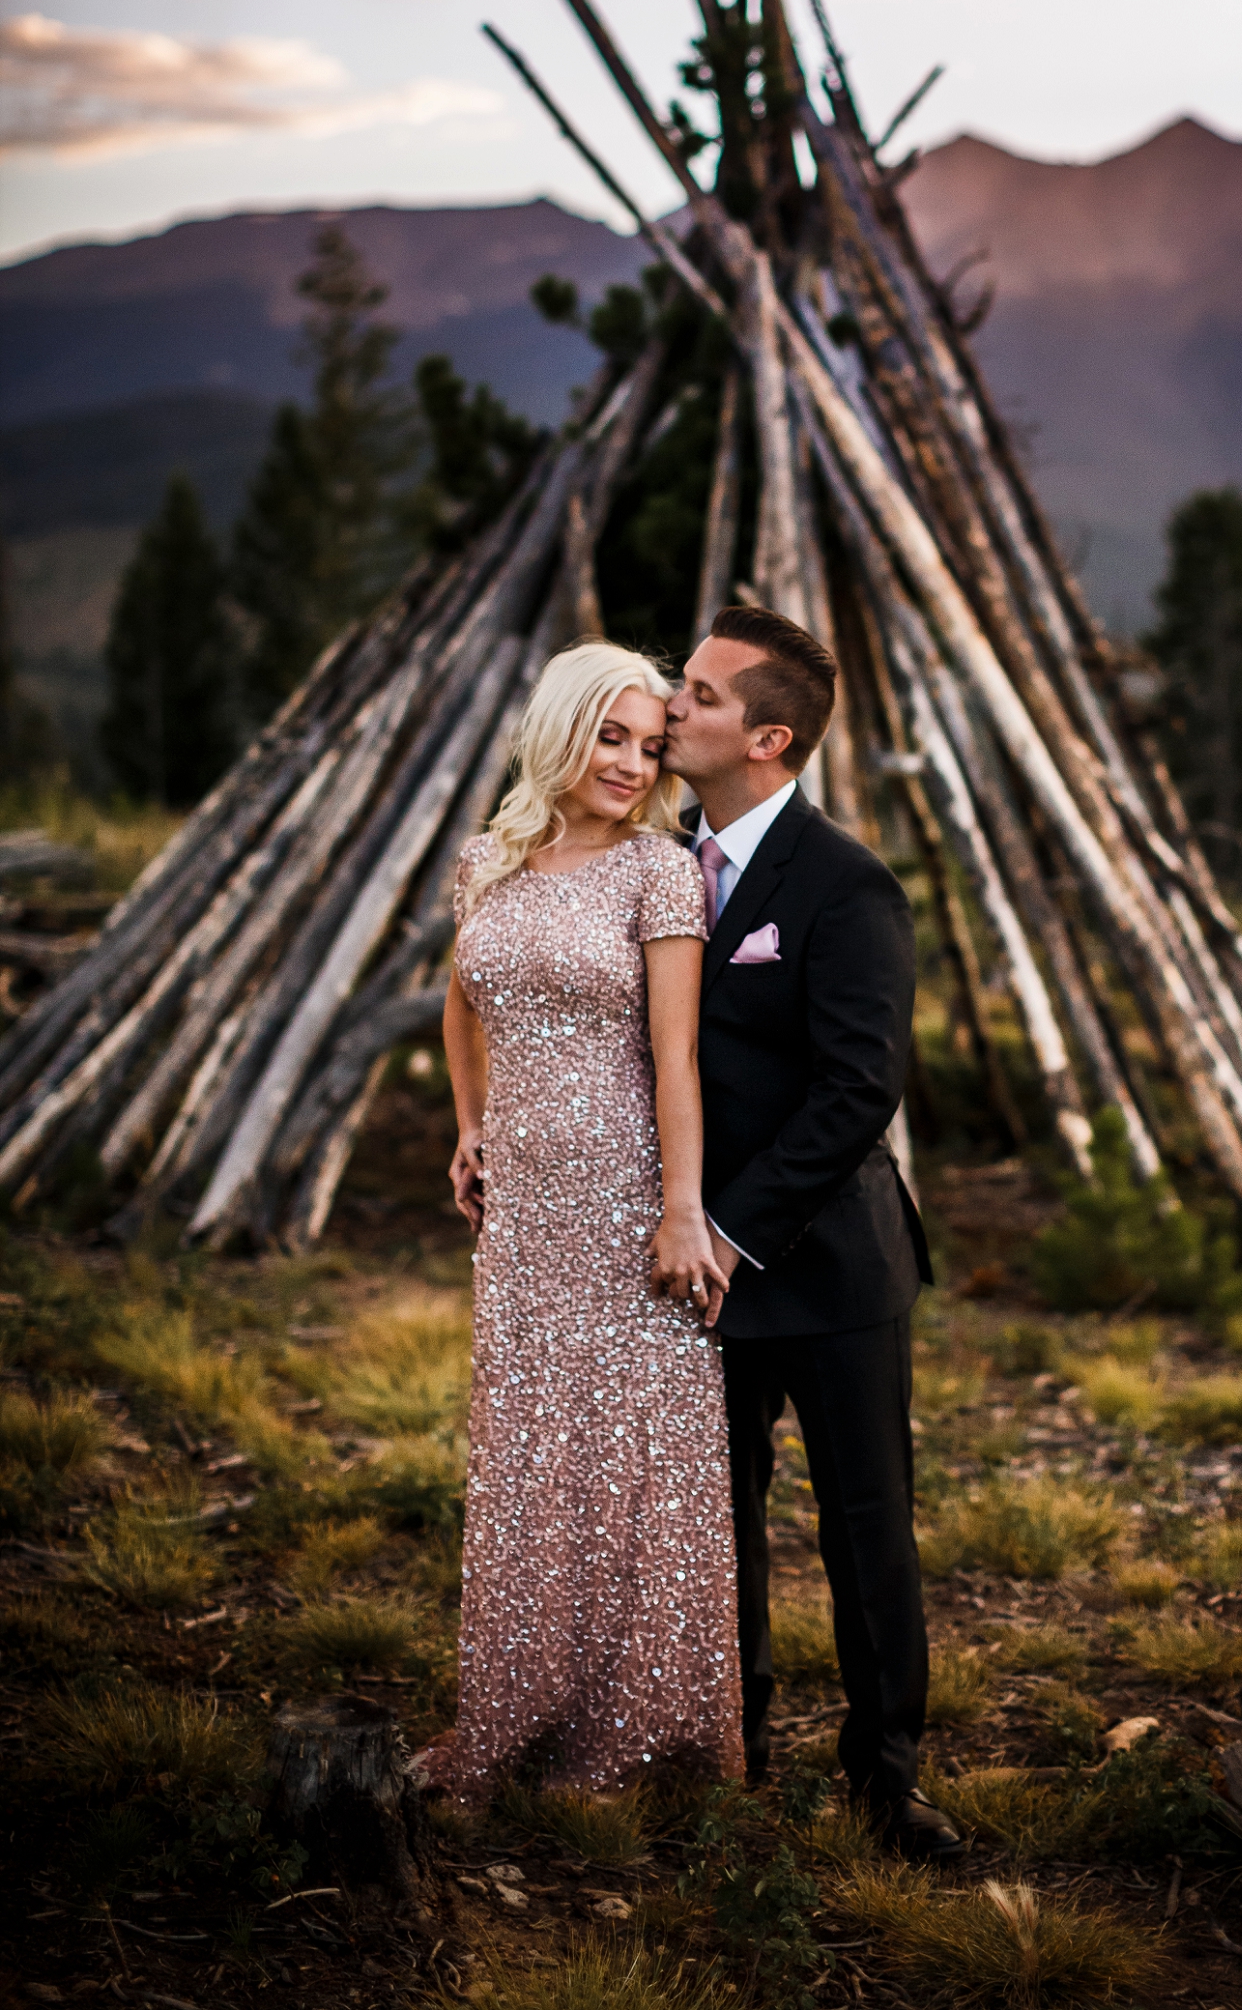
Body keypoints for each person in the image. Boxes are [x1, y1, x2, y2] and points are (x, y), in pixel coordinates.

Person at [663, 604, 963, 1861]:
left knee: (863, 1522)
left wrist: (727, 1227)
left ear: (768, 739)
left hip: (829, 1268)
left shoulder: (844, 884)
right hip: (690, 1274)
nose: (669, 708)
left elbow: (857, 1089)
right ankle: (729, 1744)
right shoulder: (657, 864)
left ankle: (885, 1775)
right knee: (711, 1518)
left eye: (698, 695)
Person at [432, 641, 742, 1800]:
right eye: (610, 736)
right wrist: (471, 1126)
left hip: (626, 1202)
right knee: (531, 1447)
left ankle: (639, 1734)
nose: (629, 762)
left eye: (648, 745)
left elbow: (677, 1060)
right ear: (561, 729)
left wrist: (679, 1211)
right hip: (522, 1217)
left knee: (632, 1453)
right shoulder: (488, 862)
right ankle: (517, 1704)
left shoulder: (659, 873)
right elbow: (464, 1006)